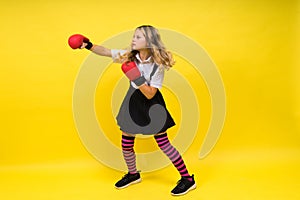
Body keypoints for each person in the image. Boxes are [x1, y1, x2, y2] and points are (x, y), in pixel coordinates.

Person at [71, 25, 196, 196]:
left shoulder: (157, 64)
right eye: (134, 36)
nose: (133, 39)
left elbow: (151, 94)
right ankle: (133, 174)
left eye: (138, 37)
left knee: (163, 143)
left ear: (149, 41)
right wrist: (89, 45)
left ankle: (188, 179)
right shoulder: (130, 55)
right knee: (127, 139)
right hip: (133, 100)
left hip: (152, 103)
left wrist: (135, 77)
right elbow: (106, 51)